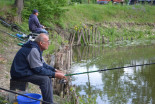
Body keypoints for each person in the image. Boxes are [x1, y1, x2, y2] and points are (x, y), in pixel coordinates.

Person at [10, 33, 67, 104]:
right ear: (41, 43)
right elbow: (38, 70)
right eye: (48, 42)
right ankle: (48, 102)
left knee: (47, 77)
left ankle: (48, 102)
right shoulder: (33, 50)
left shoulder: (37, 48)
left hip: (26, 71)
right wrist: (55, 75)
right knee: (45, 79)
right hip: (19, 74)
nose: (49, 43)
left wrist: (54, 70)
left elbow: (43, 64)